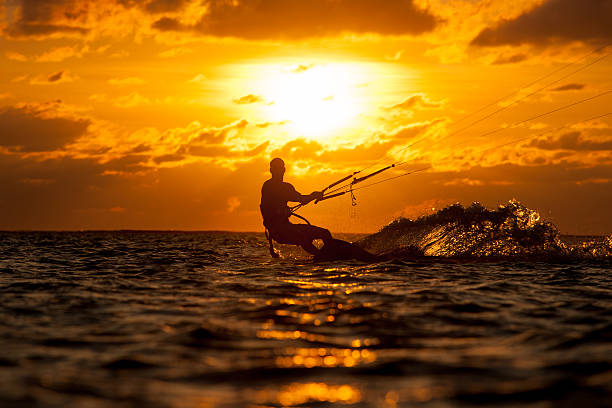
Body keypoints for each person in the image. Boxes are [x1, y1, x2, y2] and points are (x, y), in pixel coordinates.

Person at [260, 157, 333, 257]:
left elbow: (301, 199)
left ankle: (329, 255)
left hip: (288, 228)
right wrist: (314, 195)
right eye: (275, 168)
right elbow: (265, 208)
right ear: (271, 170)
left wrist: (313, 196)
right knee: (303, 238)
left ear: (284, 170)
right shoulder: (269, 186)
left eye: (280, 168)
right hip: (279, 232)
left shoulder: (286, 187)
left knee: (325, 233)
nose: (278, 171)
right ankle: (323, 257)